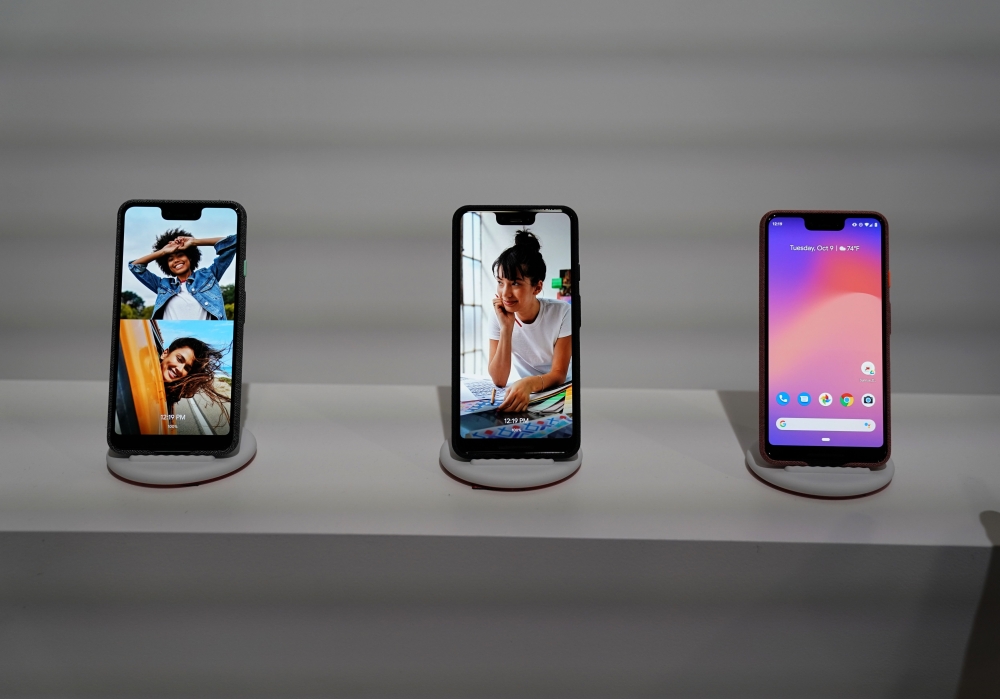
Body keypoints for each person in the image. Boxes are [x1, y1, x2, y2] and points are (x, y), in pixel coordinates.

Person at [487, 230, 572, 412]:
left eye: (515, 283)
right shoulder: (498, 315)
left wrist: (528, 383)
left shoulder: (562, 312)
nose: (505, 293)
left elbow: (559, 374)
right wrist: (506, 328)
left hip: (565, 389)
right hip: (532, 393)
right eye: (501, 282)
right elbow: (499, 380)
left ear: (537, 287)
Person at [128, 228, 237, 320]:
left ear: (190, 257)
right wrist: (162, 252)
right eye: (170, 259)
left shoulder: (208, 276)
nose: (176, 260)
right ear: (166, 265)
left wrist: (194, 242)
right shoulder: (162, 285)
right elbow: (135, 266)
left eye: (180, 255)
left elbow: (233, 242)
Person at [159, 336, 230, 425]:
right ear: (165, 353)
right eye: (179, 359)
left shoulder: (170, 393)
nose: (180, 369)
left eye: (187, 368)